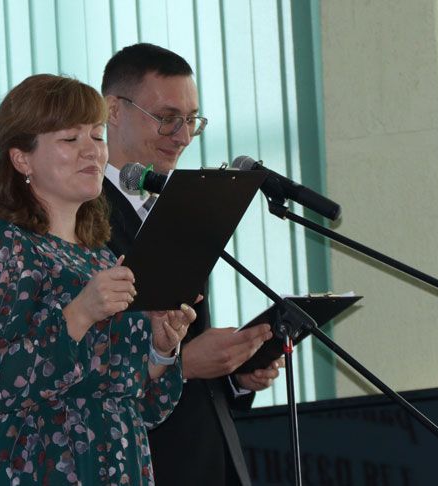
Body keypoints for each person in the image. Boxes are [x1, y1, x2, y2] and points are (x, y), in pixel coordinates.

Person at [0, 74, 196, 486]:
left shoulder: (100, 256)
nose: (93, 151)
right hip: (44, 467)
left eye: (97, 136)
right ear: (22, 159)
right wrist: (79, 314)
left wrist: (161, 350)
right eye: (70, 139)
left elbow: (144, 408)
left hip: (124, 465)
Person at [101, 43, 283, 486]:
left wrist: (235, 374)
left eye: (191, 121)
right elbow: (87, 368)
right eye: (167, 118)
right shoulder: (81, 217)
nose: (182, 137)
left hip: (212, 456)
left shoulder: (182, 208)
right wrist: (184, 365)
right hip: (139, 463)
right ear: (113, 110)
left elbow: (192, 337)